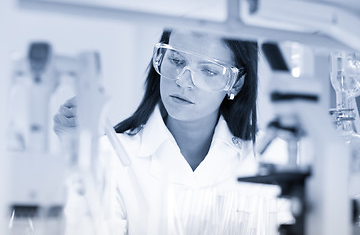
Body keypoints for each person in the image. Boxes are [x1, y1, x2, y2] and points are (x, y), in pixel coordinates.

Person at [54, 29, 286, 234]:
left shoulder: (270, 156)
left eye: (209, 71)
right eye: (176, 60)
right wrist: (76, 151)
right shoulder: (113, 156)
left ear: (235, 82)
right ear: (161, 58)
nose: (184, 81)